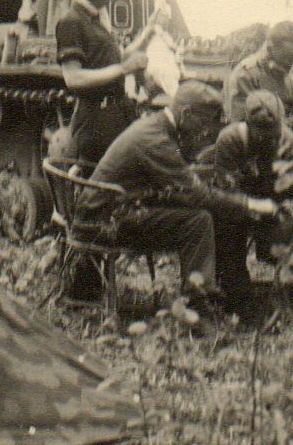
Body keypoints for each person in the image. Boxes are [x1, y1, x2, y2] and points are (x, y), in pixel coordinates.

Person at [75, 81, 278, 311]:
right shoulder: (155, 140)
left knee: (200, 212)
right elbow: (196, 194)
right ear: (186, 114)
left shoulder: (155, 127)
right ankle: (198, 303)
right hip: (104, 222)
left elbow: (181, 183)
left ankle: (220, 290)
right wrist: (251, 204)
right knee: (198, 221)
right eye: (203, 122)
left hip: (107, 210)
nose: (205, 131)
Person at [201, 89, 293, 316]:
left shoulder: (290, 143)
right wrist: (254, 207)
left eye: (273, 133)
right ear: (247, 124)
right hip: (241, 210)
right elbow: (226, 192)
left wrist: (289, 208)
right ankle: (239, 300)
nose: (268, 139)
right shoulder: (231, 140)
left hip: (277, 210)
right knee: (225, 225)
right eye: (261, 132)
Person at [55, 0, 164, 164]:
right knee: (102, 185)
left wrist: (149, 30)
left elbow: (117, 59)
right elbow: (73, 78)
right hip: (96, 122)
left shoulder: (97, 19)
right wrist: (124, 69)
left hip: (116, 114)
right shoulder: (71, 22)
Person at [223, 21, 293, 138]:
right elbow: (241, 126)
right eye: (287, 57)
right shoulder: (245, 75)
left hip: (290, 140)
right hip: (259, 146)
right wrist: (290, 123)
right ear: (270, 49)